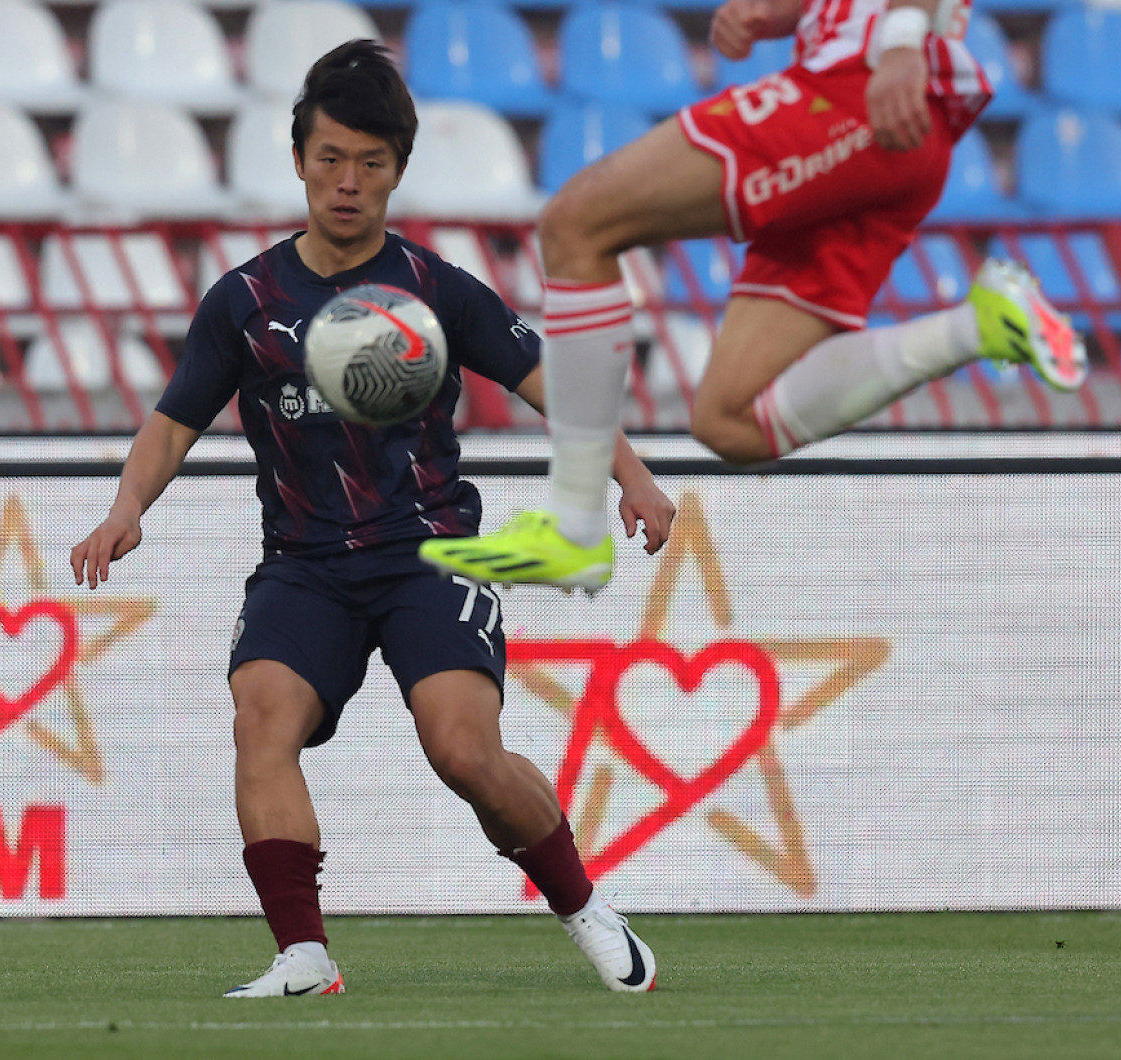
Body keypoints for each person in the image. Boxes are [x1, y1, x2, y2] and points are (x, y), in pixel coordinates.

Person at [69, 41, 677, 998]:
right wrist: (125, 508)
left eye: (371, 163)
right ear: (300, 160)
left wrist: (631, 478)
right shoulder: (246, 303)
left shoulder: (435, 289)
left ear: (397, 169)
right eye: (330, 159)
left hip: (428, 553)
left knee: (464, 753)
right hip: (304, 566)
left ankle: (584, 907)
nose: (348, 183)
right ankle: (304, 955)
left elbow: (550, 385)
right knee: (260, 719)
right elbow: (174, 418)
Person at [419, 0, 1087, 593]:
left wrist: (906, 42)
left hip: (860, 93)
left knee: (576, 221)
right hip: (885, 123)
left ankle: (573, 522)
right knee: (729, 422)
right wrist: (780, 13)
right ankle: (976, 327)